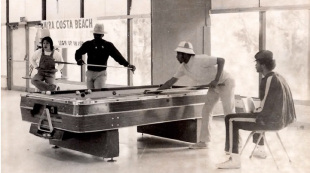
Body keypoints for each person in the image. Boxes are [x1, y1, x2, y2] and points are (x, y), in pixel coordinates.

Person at [216, 50, 296, 169]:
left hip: (272, 122)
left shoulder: (269, 79)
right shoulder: (278, 76)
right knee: (251, 113)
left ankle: (234, 160)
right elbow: (268, 103)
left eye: (257, 63)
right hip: (282, 120)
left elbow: (265, 108)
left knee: (230, 118)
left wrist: (253, 112)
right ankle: (260, 149)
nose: (255, 65)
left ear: (263, 65)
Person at [158, 41, 236, 149]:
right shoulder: (183, 67)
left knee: (229, 113)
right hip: (214, 86)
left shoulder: (200, 59)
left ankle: (234, 145)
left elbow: (221, 60)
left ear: (185, 54)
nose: (176, 57)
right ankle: (204, 142)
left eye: (178, 54)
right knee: (206, 111)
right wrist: (156, 91)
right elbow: (170, 82)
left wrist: (216, 80)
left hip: (226, 82)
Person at [75, 23, 136, 89]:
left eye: (99, 35)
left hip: (100, 74)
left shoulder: (108, 45)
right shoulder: (88, 44)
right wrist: (79, 60)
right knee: (90, 94)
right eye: (95, 34)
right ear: (93, 34)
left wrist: (127, 65)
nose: (97, 36)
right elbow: (78, 52)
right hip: (89, 73)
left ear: (102, 35)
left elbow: (117, 56)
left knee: (98, 94)